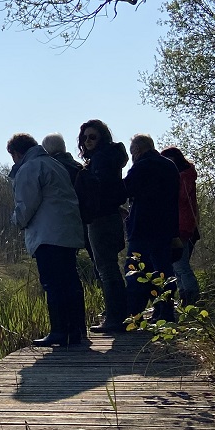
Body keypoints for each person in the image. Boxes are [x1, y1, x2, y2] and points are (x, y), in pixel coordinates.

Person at [8, 133, 88, 346]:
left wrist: (15, 220)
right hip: (68, 233)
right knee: (70, 282)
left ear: (16, 153)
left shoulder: (30, 168)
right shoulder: (55, 165)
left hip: (48, 235)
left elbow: (25, 207)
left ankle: (59, 332)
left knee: (53, 284)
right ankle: (78, 330)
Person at [75, 120, 130, 333]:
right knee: (110, 269)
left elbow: (100, 192)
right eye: (84, 138)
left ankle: (115, 319)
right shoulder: (111, 158)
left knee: (107, 270)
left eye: (92, 137)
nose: (87, 141)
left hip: (100, 219)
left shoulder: (101, 160)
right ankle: (119, 315)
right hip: (111, 216)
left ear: (102, 138)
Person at [123, 134, 181, 324]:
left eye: (132, 152)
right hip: (166, 227)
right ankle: (164, 313)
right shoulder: (169, 166)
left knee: (135, 270)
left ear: (137, 150)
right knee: (163, 271)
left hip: (142, 227)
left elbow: (126, 190)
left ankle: (134, 315)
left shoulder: (141, 166)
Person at [161, 146, 201, 305]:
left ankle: (191, 297)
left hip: (182, 226)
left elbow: (181, 197)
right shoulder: (184, 176)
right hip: (180, 225)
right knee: (177, 265)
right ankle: (185, 297)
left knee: (181, 264)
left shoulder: (184, 177)